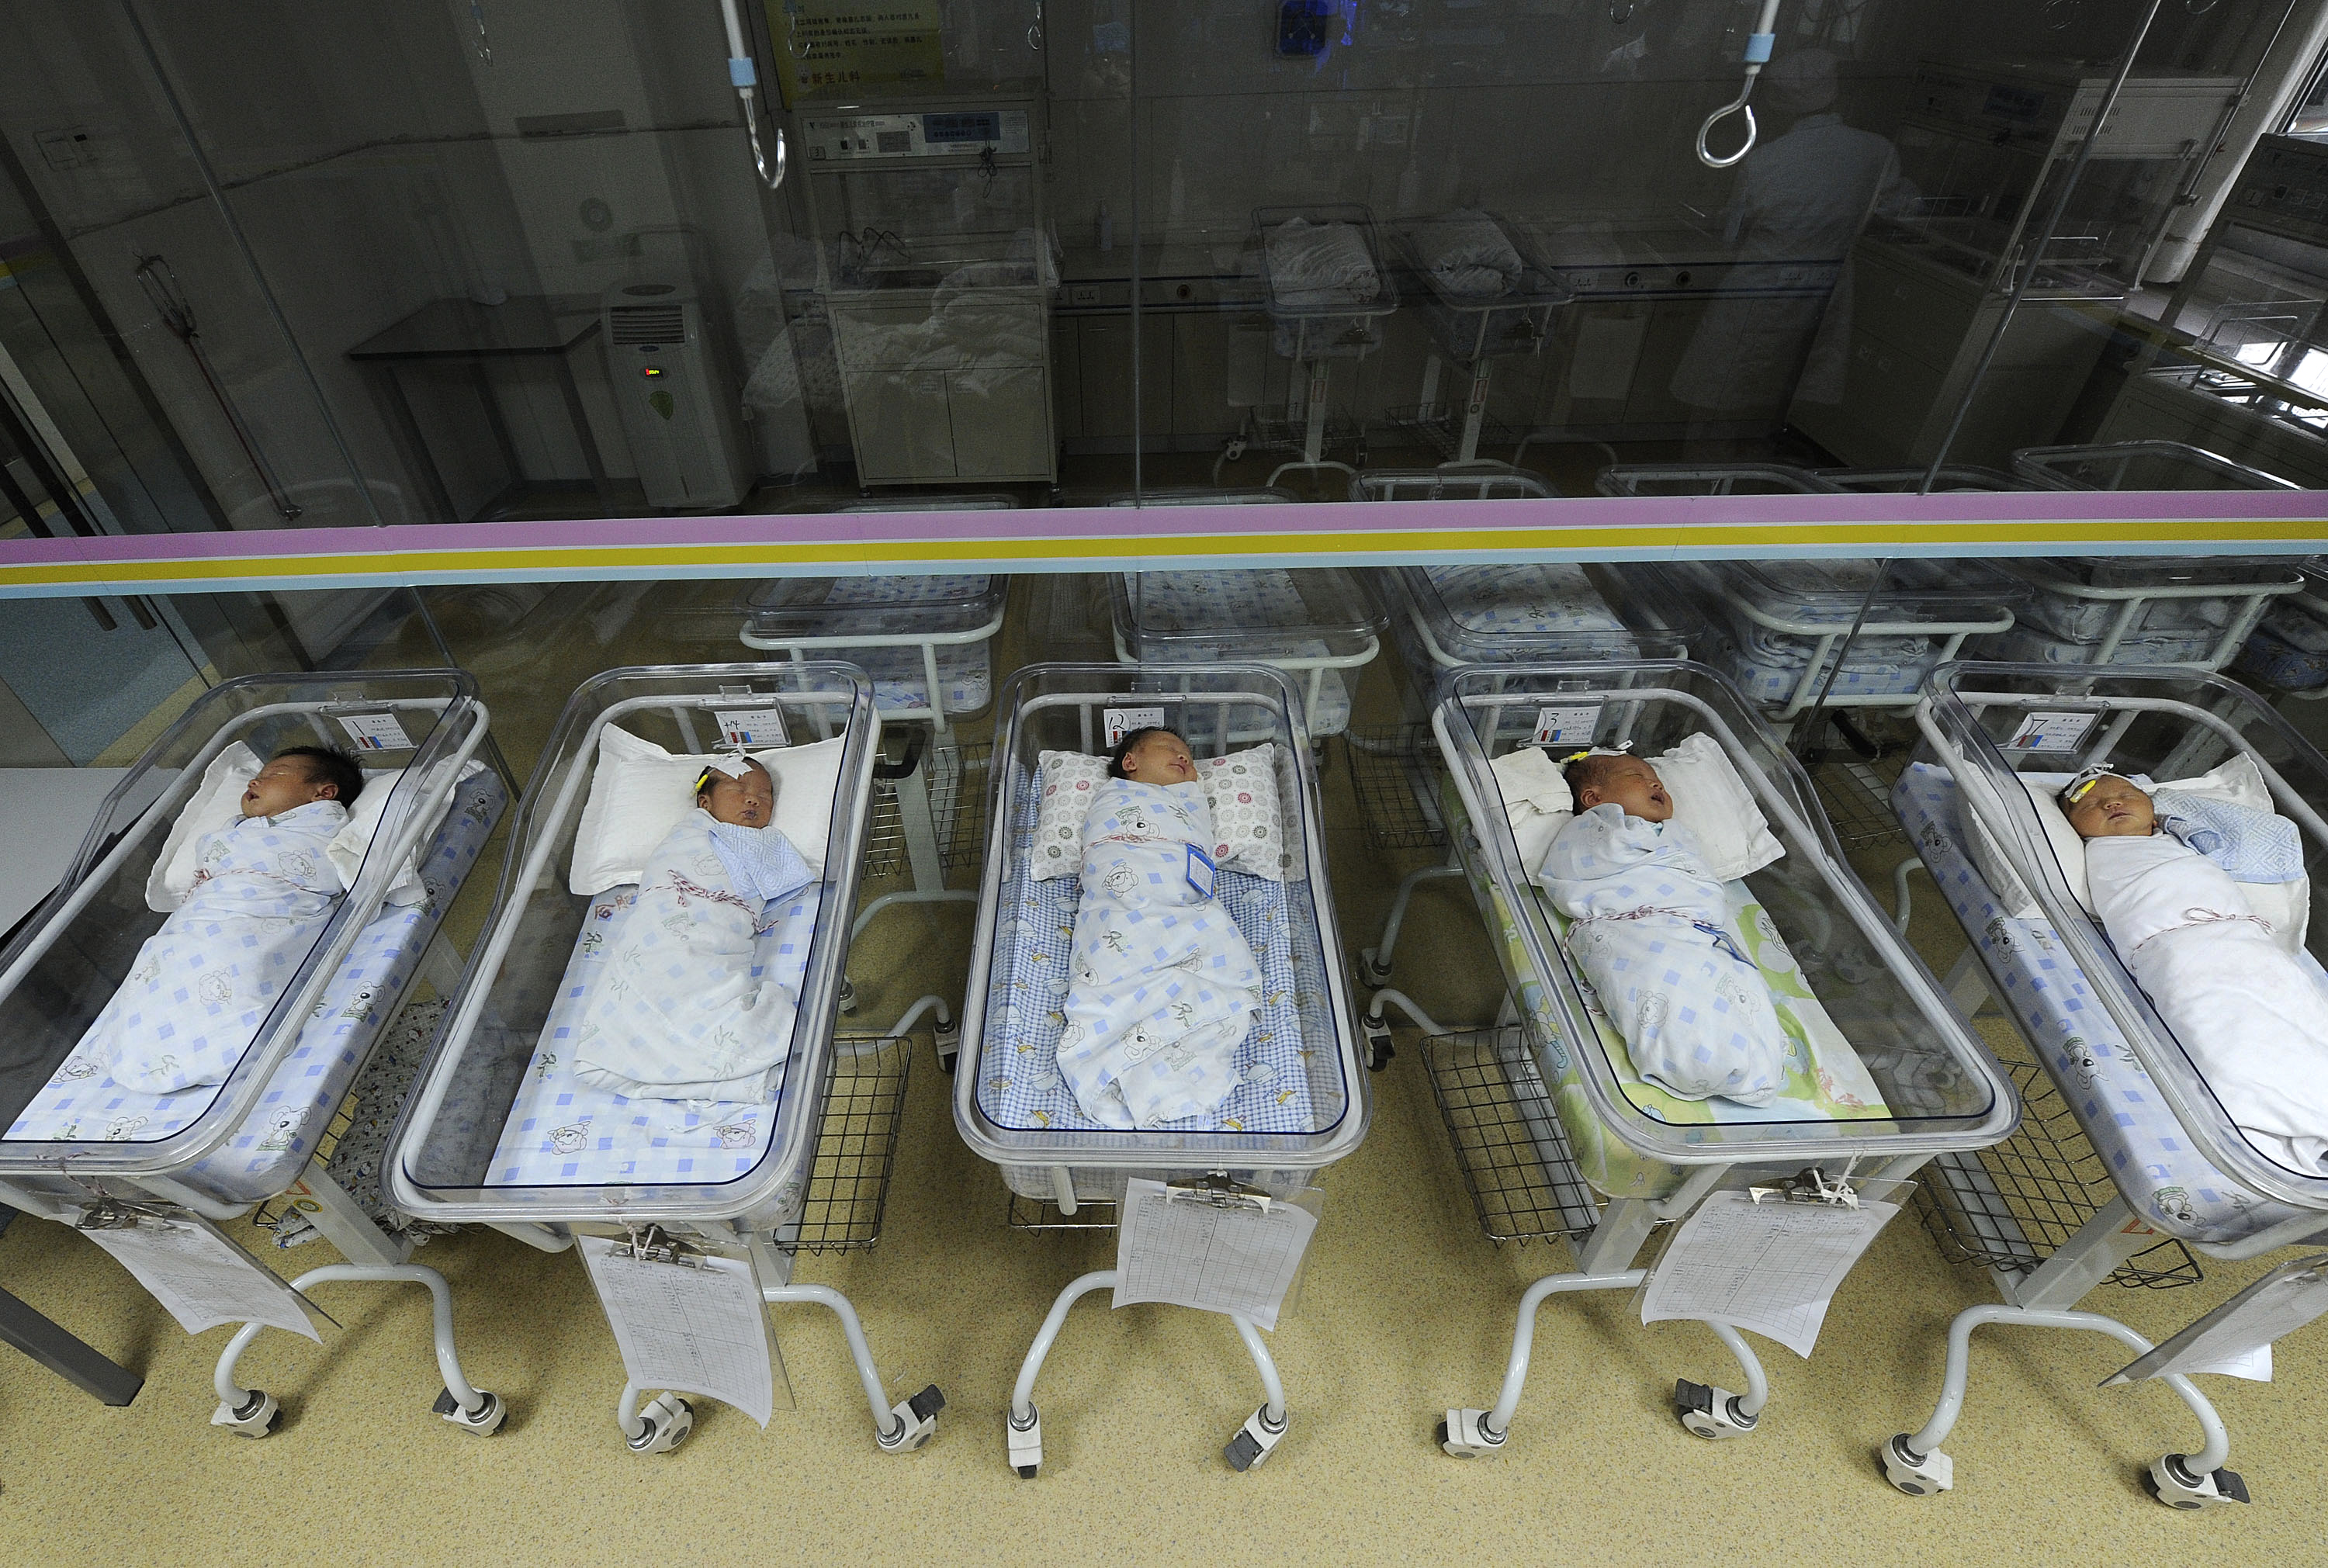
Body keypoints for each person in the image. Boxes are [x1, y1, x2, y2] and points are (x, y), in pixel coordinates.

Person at [2061, 768, 2328, 1172]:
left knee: (2304, 1016)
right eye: (2090, 803)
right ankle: (2282, 1123)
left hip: (2251, 945)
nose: (2111, 803)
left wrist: (2170, 815)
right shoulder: (2101, 852)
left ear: (2153, 810)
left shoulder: (2179, 838)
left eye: (2126, 794)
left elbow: (2242, 832)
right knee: (2224, 1036)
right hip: (2181, 952)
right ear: (2072, 825)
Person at [60, 746, 362, 1097]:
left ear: (323, 793)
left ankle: (229, 1039)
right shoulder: (235, 831)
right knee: (164, 970)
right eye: (257, 774)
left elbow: (328, 870)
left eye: (275, 775)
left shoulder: (320, 829)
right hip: (197, 923)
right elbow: (212, 861)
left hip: (249, 923)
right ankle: (140, 1045)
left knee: (237, 966)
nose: (255, 780)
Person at [1538, 750, 1789, 1103]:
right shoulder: (1593, 831)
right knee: (1662, 975)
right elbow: (1573, 871)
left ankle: (1753, 1057)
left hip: (1696, 931)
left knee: (1735, 982)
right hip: (1639, 932)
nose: (1655, 783)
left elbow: (1693, 873)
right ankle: (1691, 1057)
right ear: (1594, 799)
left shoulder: (1677, 835)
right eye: (1636, 776)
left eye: (1658, 779)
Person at [1055, 726, 1262, 1128]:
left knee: (1209, 953)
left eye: (1189, 757)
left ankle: (1178, 1063)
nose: (1185, 758)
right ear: (1130, 762)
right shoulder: (1115, 796)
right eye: (1170, 748)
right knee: (1112, 960)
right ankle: (1142, 1065)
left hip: (1183, 905)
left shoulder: (1190, 803)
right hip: (1120, 904)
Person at [575, 756, 815, 1103]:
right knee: (646, 982)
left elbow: (789, 877)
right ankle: (695, 1065)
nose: (753, 799)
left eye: (765, 795)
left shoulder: (760, 840)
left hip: (711, 934)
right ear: (705, 801)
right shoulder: (688, 834)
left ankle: (675, 1066)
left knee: (702, 985)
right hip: (658, 930)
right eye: (739, 789)